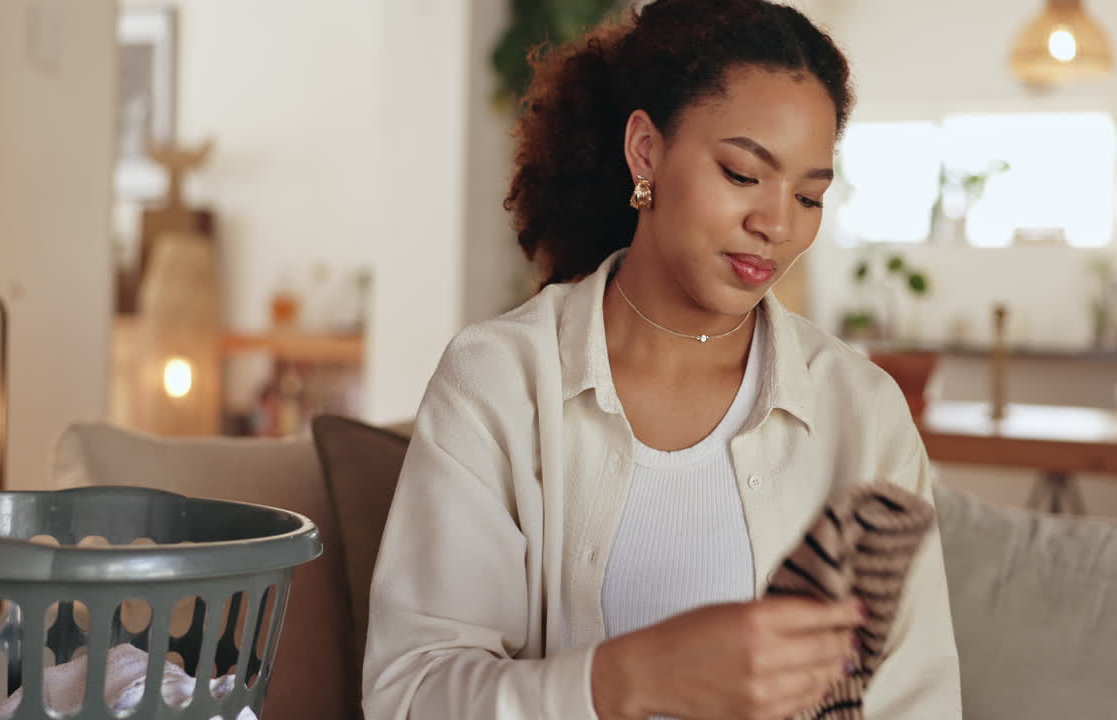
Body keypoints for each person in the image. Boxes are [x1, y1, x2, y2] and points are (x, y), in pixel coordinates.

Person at [362, 1, 962, 718]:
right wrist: (628, 679)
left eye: (808, 195)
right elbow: (410, 694)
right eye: (742, 174)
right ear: (646, 150)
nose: (776, 224)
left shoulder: (862, 413)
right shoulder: (499, 381)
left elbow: (918, 703)